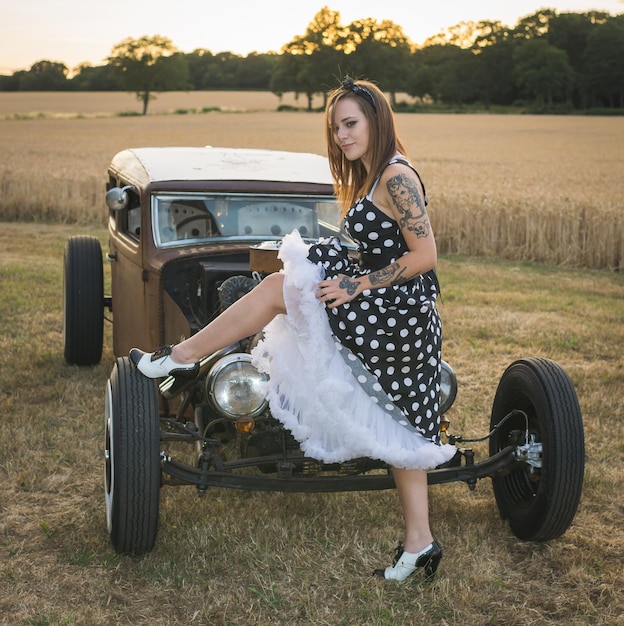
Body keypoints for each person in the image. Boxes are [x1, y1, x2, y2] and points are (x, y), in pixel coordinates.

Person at [130, 77, 457, 582]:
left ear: (376, 119)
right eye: (336, 128)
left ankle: (184, 356)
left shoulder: (397, 177)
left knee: (280, 289)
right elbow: (378, 246)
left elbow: (426, 256)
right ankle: (421, 544)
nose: (343, 136)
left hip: (396, 314)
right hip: (384, 304)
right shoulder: (372, 176)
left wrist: (355, 284)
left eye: (351, 124)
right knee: (401, 425)